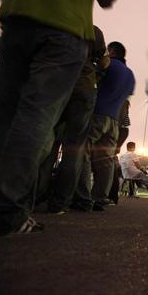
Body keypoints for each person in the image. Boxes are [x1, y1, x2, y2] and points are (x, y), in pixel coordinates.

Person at [0, 0, 117, 236]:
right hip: (64, 34)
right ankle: (8, 210)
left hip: (17, 25)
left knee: (5, 115)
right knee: (36, 117)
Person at [36, 26, 109, 214]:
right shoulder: (93, 30)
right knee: (74, 148)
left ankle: (35, 196)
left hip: (56, 84)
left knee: (48, 142)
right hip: (84, 85)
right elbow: (104, 61)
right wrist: (95, 70)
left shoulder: (56, 23)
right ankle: (60, 203)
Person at [74, 42, 134, 212]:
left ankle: (83, 197)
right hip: (114, 120)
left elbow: (94, 82)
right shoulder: (130, 75)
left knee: (83, 151)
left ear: (112, 51)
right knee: (106, 160)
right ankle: (100, 198)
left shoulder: (109, 64)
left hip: (97, 114)